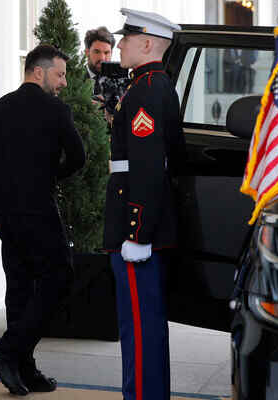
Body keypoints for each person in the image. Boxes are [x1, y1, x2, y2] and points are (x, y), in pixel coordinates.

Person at [0, 44, 85, 396]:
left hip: (4, 214)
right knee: (59, 278)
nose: (64, 82)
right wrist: (51, 175)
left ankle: (22, 367)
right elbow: (79, 157)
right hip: (38, 209)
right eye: (60, 74)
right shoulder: (55, 110)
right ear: (39, 71)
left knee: (18, 289)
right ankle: (6, 350)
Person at [105, 8, 185, 400]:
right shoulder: (148, 86)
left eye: (127, 38)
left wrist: (137, 232)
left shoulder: (148, 89)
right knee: (140, 324)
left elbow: (149, 167)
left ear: (148, 43)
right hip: (141, 223)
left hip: (138, 229)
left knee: (140, 326)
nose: (120, 44)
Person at [84, 26, 115, 96]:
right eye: (97, 52)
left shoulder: (119, 82)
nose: (102, 58)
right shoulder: (73, 78)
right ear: (87, 52)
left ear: (111, 53)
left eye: (106, 53)